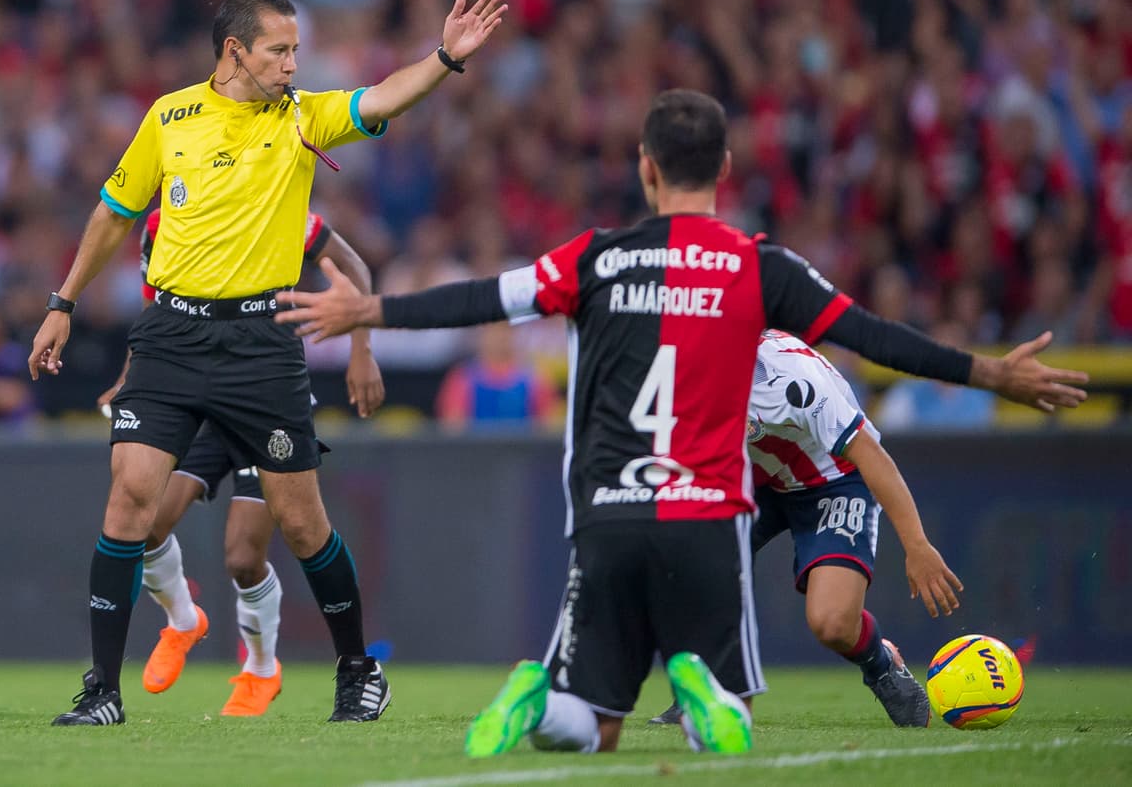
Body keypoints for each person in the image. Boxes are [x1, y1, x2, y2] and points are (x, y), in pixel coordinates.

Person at [275, 89, 1089, 756]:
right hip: (724, 494)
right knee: (697, 657)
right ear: (726, 168)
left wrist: (371, 306)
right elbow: (874, 334)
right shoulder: (757, 265)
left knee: (824, 623)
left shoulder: (604, 258)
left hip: (801, 481)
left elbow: (491, 295)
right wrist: (990, 371)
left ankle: (838, 666)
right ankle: (705, 688)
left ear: (644, 167)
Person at [28, 0, 506, 726]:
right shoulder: (169, 116)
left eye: (296, 51)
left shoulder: (302, 117)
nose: (292, 64)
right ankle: (102, 691)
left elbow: (380, 99)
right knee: (129, 496)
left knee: (302, 523)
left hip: (261, 341)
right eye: (279, 50)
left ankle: (357, 668)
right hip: (172, 334)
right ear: (235, 51)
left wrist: (444, 57)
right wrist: (62, 303)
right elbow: (113, 214)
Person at [94, 209, 383, 718]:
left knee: (245, 555)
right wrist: (130, 375)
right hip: (191, 386)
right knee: (148, 520)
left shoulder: (274, 197)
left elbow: (354, 266)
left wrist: (362, 347)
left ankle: (262, 668)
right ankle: (183, 619)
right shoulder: (164, 223)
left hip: (260, 387)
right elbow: (154, 307)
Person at [648, 329, 962, 730]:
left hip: (832, 479)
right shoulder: (674, 370)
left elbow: (872, 455)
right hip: (754, 479)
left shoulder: (793, 379)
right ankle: (703, 690)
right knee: (684, 560)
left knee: (832, 623)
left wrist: (917, 545)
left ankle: (881, 664)